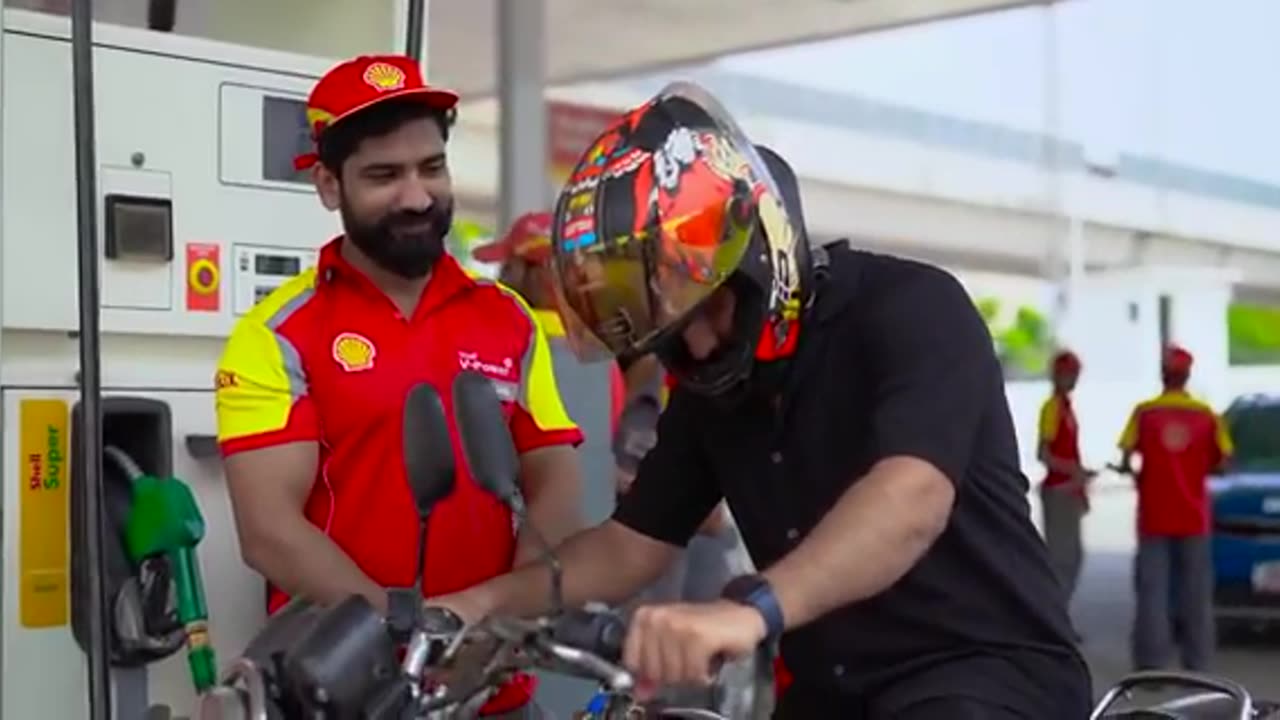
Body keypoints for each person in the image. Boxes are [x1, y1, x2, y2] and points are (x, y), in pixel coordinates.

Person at [430, 84, 1090, 718]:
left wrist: (751, 609)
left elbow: (909, 498)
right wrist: (478, 603)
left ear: (762, 255)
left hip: (982, 676)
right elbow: (630, 546)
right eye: (668, 328)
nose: (697, 341)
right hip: (830, 693)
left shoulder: (911, 309)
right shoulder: (711, 391)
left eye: (710, 305)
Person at [214, 54, 585, 718]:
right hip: (342, 689)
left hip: (495, 691)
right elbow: (268, 530)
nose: (416, 196)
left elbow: (554, 482)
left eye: (431, 168)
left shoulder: (511, 321)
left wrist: (500, 617)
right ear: (330, 185)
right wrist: (403, 639)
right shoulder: (278, 334)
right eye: (385, 175)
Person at [475, 213, 756, 713]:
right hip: (609, 594)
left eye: (518, 269)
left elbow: (665, 513)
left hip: (657, 602)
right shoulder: (608, 366)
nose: (506, 282)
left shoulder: (557, 355)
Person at [1116, 344, 1233, 673]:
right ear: (1188, 375)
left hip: (1154, 515)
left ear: (1163, 375)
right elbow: (1224, 463)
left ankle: (1151, 665)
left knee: (1152, 592)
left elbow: (1127, 457)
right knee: (1196, 593)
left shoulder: (1144, 413)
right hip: (1194, 517)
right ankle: (1199, 663)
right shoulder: (1207, 415)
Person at [1037, 350, 1096, 631]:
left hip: (1069, 492)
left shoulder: (1066, 408)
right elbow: (1044, 453)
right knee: (1062, 561)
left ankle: (1059, 620)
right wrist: (1073, 471)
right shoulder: (1052, 408)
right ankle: (1054, 624)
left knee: (1072, 559)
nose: (1073, 380)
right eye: (1069, 374)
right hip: (1058, 492)